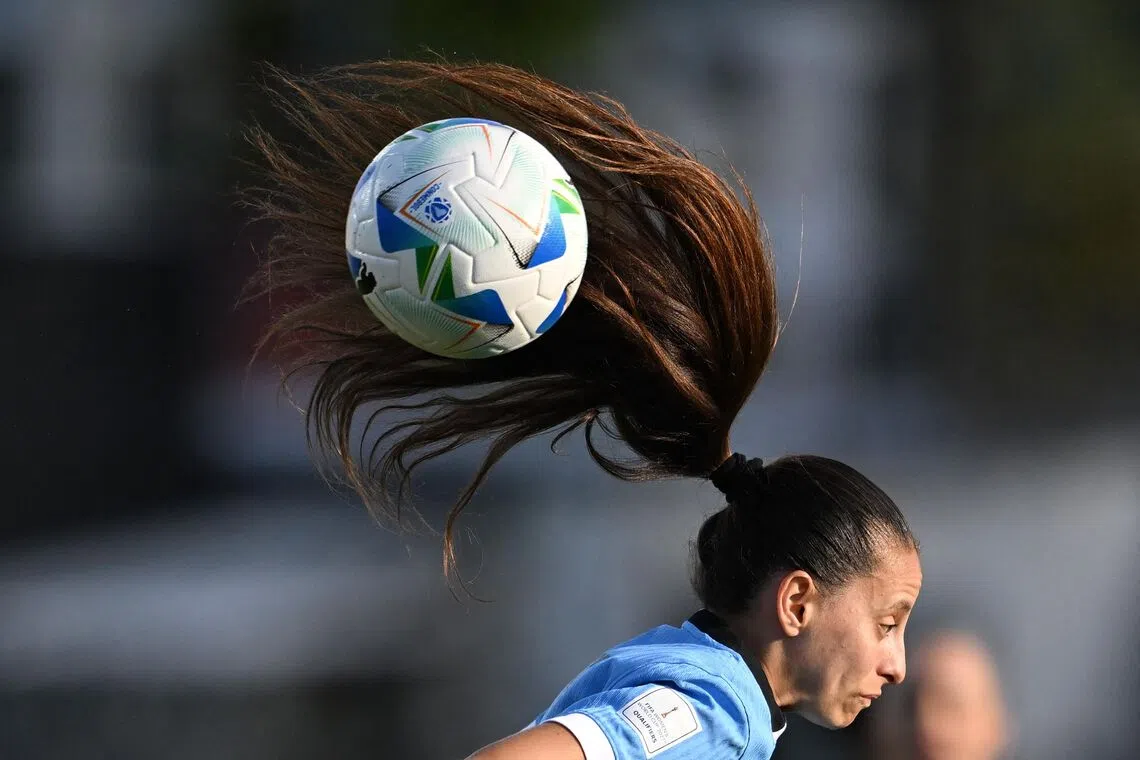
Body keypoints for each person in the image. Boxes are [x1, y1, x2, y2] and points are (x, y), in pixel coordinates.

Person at [245, 60, 922, 760]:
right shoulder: (713, 710)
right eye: (887, 621)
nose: (898, 664)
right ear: (798, 603)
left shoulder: (704, 680)